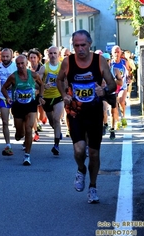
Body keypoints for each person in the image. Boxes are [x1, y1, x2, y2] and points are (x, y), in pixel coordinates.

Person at [57, 30, 116, 204]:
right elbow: (59, 80)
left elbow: (113, 84)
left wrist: (104, 90)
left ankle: (93, 186)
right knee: (79, 150)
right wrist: (64, 95)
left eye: (83, 45)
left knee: (94, 153)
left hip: (95, 112)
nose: (80, 49)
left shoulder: (99, 61)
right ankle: (81, 169)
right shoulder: (68, 62)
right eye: (76, 45)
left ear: (90, 44)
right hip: (75, 112)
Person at [1, 55, 44, 165]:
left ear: (26, 63)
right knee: (20, 134)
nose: (20, 66)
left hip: (31, 105)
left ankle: (27, 156)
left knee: (29, 129)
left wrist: (40, 97)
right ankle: (19, 134)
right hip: (18, 107)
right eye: (18, 64)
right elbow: (3, 88)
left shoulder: (34, 75)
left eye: (22, 63)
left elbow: (41, 85)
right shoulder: (13, 77)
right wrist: (8, 97)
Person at [42, 46, 64, 155]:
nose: (53, 55)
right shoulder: (44, 68)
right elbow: (38, 83)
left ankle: (56, 145)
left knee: (56, 119)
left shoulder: (62, 67)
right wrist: (44, 86)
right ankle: (57, 132)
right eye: (51, 53)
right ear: (48, 55)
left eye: (55, 53)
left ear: (59, 55)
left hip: (58, 96)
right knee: (51, 121)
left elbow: (67, 80)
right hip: (46, 98)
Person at [0, 48, 17, 156]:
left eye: (7, 56)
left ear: (11, 56)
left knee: (19, 122)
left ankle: (20, 134)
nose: (4, 58)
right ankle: (8, 144)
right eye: (3, 56)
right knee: (5, 121)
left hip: (16, 97)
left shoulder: (16, 66)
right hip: (3, 97)